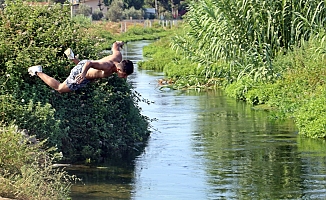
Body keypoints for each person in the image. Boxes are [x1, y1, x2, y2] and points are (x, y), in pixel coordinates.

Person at [28, 41, 134, 93]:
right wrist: (82, 74)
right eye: (124, 75)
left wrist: (121, 43)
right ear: (119, 69)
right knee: (60, 88)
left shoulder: (118, 56)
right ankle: (37, 71)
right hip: (83, 72)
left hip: (87, 73)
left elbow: (115, 45)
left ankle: (72, 57)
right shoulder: (107, 66)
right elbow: (89, 63)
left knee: (87, 71)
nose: (124, 77)